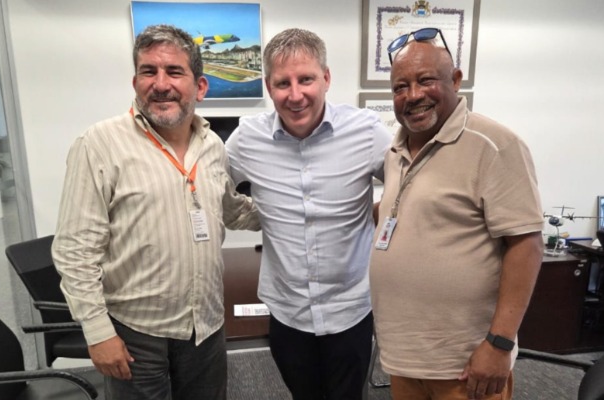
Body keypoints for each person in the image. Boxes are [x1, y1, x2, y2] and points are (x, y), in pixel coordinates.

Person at [51, 24, 259, 400]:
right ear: (136, 82)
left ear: (200, 87)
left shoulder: (213, 145)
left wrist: (293, 212)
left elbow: (232, 210)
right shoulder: (99, 144)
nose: (160, 84)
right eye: (149, 71)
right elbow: (74, 250)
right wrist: (98, 332)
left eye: (174, 72)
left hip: (206, 326)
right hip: (136, 334)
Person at [369, 28, 544, 400]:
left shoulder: (494, 145)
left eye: (425, 80)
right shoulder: (394, 153)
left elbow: (526, 246)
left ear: (456, 80)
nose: (413, 95)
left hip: (466, 365)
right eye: (400, 87)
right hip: (405, 358)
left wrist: (499, 343)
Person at [225, 28, 393, 400]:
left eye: (306, 79)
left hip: (350, 309)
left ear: (326, 78)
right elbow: (210, 189)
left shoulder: (366, 132)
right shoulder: (246, 140)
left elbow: (413, 189)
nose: (295, 94)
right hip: (288, 311)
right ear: (269, 87)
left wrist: (379, 219)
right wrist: (255, 217)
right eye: (282, 83)